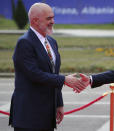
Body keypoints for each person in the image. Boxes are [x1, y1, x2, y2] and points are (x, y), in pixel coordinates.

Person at [9, 3, 86, 131]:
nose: (53, 21)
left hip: (47, 114)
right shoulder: (24, 42)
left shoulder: (51, 42)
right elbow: (34, 74)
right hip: (29, 115)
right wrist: (64, 80)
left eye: (53, 17)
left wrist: (58, 103)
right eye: (48, 18)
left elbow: (54, 73)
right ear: (35, 21)